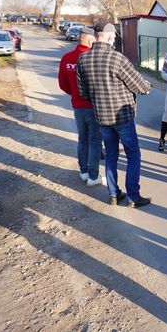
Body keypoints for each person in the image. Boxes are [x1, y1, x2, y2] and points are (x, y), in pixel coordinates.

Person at [77, 22, 153, 207]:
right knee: (133, 154)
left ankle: (113, 194)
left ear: (96, 36)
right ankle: (133, 197)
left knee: (111, 155)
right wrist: (148, 87)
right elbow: (140, 86)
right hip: (123, 117)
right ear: (110, 37)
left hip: (102, 117)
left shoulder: (83, 59)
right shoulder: (117, 58)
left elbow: (83, 92)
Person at [58, 27, 103, 186]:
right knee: (95, 141)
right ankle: (93, 176)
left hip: (78, 107)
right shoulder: (94, 58)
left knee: (82, 139)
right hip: (94, 107)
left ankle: (83, 171)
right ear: (90, 40)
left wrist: (76, 94)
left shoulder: (66, 58)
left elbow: (63, 85)